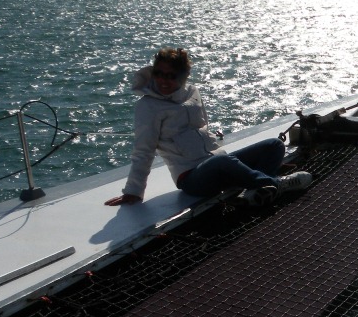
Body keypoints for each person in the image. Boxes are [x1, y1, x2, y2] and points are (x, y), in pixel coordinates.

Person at [104, 47, 312, 207]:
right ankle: (276, 183)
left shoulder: (192, 92)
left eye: (171, 75)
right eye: (158, 73)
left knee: (274, 145)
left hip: (216, 162)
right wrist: (133, 190)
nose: (162, 80)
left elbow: (203, 126)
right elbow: (143, 150)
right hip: (192, 178)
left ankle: (252, 191)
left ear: (184, 76)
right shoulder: (148, 106)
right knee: (222, 161)